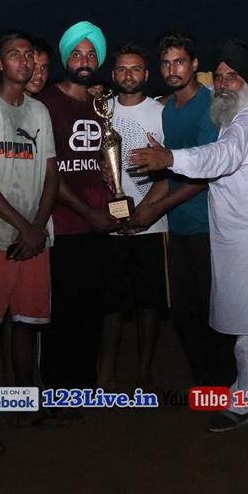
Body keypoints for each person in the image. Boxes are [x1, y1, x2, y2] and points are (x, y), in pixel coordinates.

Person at [128, 40, 248, 433]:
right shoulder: (228, 112)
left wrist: (170, 158)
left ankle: (244, 399)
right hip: (227, 233)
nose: (225, 83)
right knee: (239, 314)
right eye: (221, 76)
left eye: (234, 77)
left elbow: (221, 156)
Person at [133, 31, 236, 389]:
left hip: (209, 227)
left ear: (194, 64)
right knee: (183, 312)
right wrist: (141, 210)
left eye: (179, 62)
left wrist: (155, 209)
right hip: (179, 227)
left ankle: (226, 384)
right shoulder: (169, 111)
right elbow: (171, 172)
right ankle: (206, 380)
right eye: (165, 63)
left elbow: (205, 175)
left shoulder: (209, 107)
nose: (171, 70)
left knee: (214, 312)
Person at [0, 31, 58, 398]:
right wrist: (26, 228)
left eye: (29, 54)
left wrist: (36, 228)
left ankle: (25, 405)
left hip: (33, 240)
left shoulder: (39, 111)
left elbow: (51, 176)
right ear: (0, 63)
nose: (24, 60)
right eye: (14, 54)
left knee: (27, 324)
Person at [37, 22, 118, 400]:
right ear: (65, 58)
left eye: (90, 55)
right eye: (76, 54)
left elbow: (104, 155)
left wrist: (108, 172)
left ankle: (83, 386)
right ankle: (57, 391)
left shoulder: (101, 105)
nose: (84, 62)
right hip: (63, 225)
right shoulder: (46, 103)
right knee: (60, 313)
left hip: (98, 226)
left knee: (91, 311)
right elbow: (49, 173)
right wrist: (87, 211)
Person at [97, 43, 168, 391]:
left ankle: (143, 371)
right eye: (122, 69)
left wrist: (144, 213)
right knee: (110, 303)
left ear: (146, 74)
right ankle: (106, 372)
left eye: (135, 69)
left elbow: (171, 168)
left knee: (149, 304)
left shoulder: (161, 113)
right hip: (109, 225)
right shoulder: (101, 110)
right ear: (113, 75)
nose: (128, 75)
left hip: (152, 223)